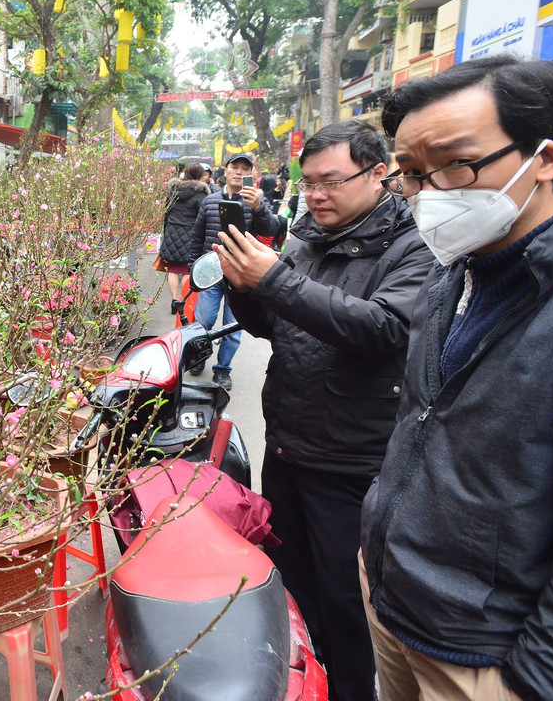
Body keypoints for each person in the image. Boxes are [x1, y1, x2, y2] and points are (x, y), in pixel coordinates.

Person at [360, 57, 553, 701]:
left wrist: (541, 680)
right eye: (409, 174)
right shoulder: (455, 269)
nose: (430, 193)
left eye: (455, 166)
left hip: (489, 655)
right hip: (394, 603)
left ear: (546, 159)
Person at [213, 120, 434, 701]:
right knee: (292, 593)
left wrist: (276, 280)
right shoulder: (306, 238)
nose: (316, 194)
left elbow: (383, 329)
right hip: (288, 446)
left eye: (331, 182)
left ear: (378, 172)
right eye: (308, 182)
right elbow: (274, 324)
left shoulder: (415, 245)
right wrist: (245, 286)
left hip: (351, 465)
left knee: (345, 608)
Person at [189, 152, 282, 389]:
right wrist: (193, 269)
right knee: (204, 321)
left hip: (241, 276)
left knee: (233, 327)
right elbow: (196, 237)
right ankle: (199, 358)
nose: (239, 172)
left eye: (245, 168)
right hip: (211, 273)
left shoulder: (255, 202)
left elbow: (271, 227)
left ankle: (223, 369)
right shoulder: (209, 201)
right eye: (235, 167)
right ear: (226, 170)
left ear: (251, 174)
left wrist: (259, 207)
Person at [156, 163, 211, 316]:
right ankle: (183, 301)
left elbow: (166, 213)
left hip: (172, 232)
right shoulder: (200, 194)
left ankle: (174, 300)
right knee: (188, 269)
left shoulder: (174, 191)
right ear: (200, 177)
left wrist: (166, 231)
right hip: (191, 234)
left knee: (173, 269)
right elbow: (203, 218)